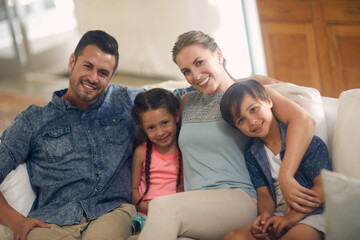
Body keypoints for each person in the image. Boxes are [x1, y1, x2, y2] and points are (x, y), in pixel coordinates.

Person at [0, 30, 191, 240]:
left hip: (110, 212)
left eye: (103, 73)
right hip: (51, 221)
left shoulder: (124, 101)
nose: (93, 78)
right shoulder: (32, 120)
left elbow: (180, 95)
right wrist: (16, 221)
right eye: (88, 66)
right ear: (72, 61)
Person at [138, 30, 319, 240]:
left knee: (162, 206)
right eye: (186, 71)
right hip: (194, 205)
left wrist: (286, 176)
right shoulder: (186, 101)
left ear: (219, 55)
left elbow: (304, 121)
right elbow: (152, 115)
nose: (195, 76)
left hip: (240, 199)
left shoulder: (248, 94)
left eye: (199, 62)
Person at [220, 80, 332, 240]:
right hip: (279, 216)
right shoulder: (251, 153)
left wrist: (290, 219)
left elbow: (323, 187)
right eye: (241, 120)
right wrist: (264, 217)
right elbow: (264, 194)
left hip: (312, 214)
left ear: (269, 101)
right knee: (232, 237)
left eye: (253, 109)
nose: (252, 122)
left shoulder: (309, 143)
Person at [129, 88, 183, 235]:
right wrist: (147, 208)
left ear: (176, 116)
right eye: (151, 127)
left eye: (165, 123)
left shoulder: (185, 149)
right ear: (142, 128)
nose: (160, 132)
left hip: (179, 212)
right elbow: (133, 190)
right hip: (147, 213)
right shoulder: (141, 152)